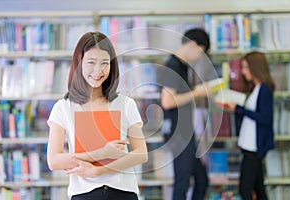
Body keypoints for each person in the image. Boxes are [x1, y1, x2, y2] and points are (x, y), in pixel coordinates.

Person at [47, 31, 148, 200]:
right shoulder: (63, 107)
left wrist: (98, 171)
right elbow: (54, 161)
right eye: (91, 62)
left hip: (122, 192)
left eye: (104, 63)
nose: (98, 70)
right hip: (84, 193)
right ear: (79, 64)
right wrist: (101, 153)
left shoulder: (125, 104)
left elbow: (141, 153)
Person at [158, 28, 210, 200]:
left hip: (185, 132)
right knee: (183, 183)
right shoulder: (173, 65)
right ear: (193, 45)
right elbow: (168, 101)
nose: (200, 57)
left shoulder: (182, 66)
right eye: (201, 52)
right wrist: (197, 93)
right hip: (178, 134)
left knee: (201, 180)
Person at [227, 51, 275, 200]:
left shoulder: (264, 89)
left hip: (254, 148)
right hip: (249, 145)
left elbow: (265, 118)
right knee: (258, 188)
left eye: (246, 67)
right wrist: (237, 110)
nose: (243, 71)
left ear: (255, 68)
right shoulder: (256, 88)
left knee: (245, 189)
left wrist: (239, 109)